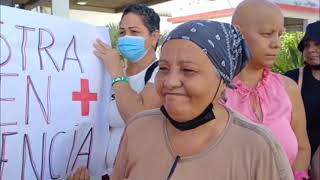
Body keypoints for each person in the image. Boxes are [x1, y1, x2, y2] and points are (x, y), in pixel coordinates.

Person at [111, 20, 294, 180]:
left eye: (188, 70)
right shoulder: (138, 130)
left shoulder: (257, 147)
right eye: (164, 68)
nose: (170, 82)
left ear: (223, 81)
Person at [68, 4, 161, 180]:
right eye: (122, 32)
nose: (126, 38)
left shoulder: (160, 72)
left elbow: (136, 117)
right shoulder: (111, 74)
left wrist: (116, 71)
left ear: (154, 37)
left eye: (134, 32)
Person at [224, 0, 311, 179]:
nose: (276, 43)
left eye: (279, 34)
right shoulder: (215, 89)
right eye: (267, 34)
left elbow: (302, 147)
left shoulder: (288, 88)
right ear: (238, 33)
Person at [285, 21, 320, 159]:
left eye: (317, 44)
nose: (311, 50)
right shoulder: (291, 79)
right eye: (306, 46)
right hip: (298, 160)